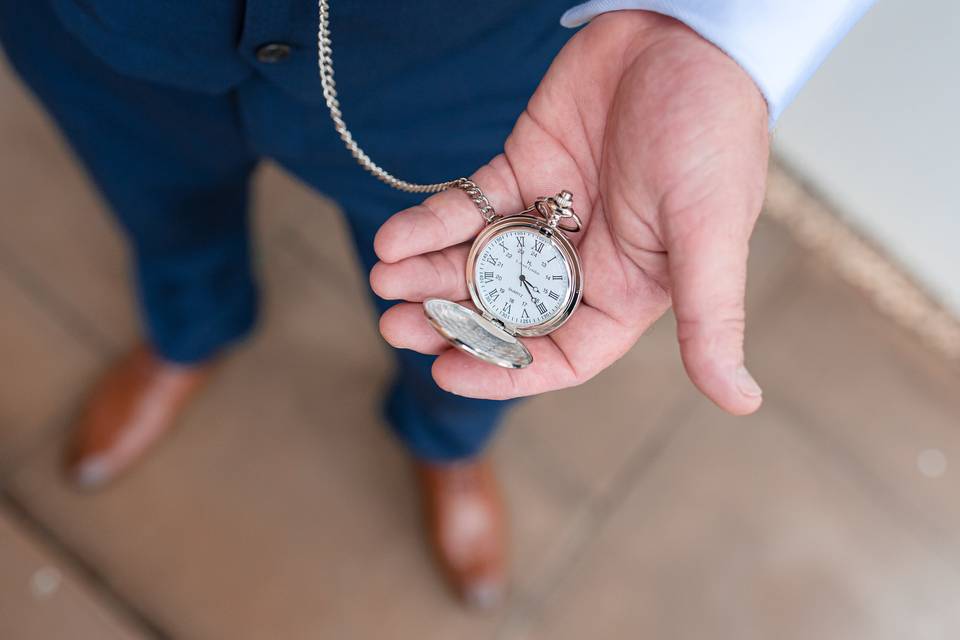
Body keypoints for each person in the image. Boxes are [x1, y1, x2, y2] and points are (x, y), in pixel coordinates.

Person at [0, 0, 873, 608]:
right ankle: (191, 332)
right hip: (105, 29)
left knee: (465, 328)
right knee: (159, 205)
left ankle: (446, 441)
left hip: (472, 61)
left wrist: (721, 36)